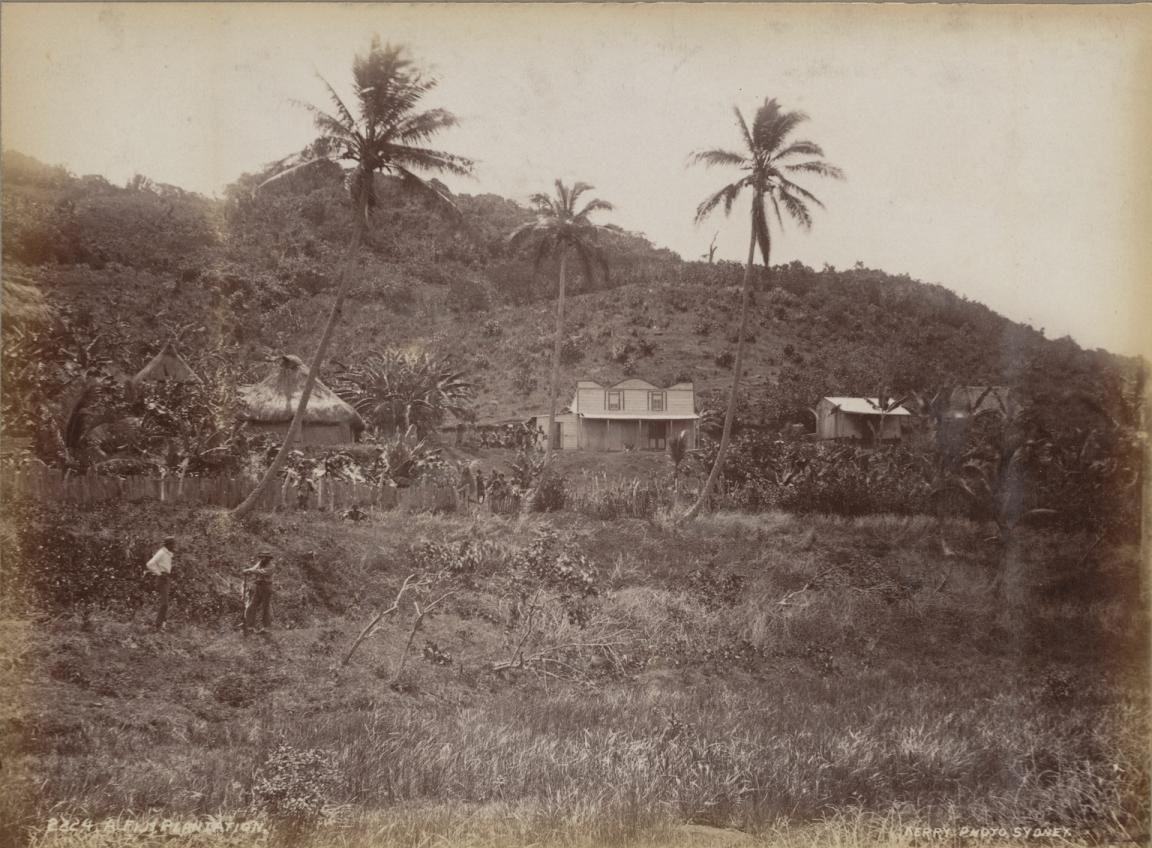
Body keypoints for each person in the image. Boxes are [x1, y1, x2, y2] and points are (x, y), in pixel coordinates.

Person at [144, 536, 176, 631]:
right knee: (164, 604)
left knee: (165, 603)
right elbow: (149, 564)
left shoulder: (168, 554)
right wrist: (159, 573)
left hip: (166, 578)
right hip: (162, 579)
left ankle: (163, 626)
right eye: (173, 544)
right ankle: (157, 625)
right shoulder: (162, 552)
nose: (174, 546)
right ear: (168, 545)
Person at [241, 551, 276, 635]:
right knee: (252, 606)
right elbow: (254, 569)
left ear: (268, 558)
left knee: (265, 608)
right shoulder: (260, 563)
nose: (263, 558)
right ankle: (250, 627)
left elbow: (262, 572)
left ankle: (266, 628)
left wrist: (250, 570)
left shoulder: (271, 566)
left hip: (267, 587)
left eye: (265, 557)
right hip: (258, 587)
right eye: (262, 557)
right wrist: (248, 571)